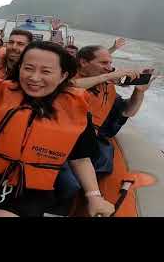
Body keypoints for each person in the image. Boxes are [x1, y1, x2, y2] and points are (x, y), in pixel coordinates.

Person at [0, 41, 115, 217]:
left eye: (46, 71)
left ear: (63, 76)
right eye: (28, 68)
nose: (34, 77)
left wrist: (94, 197)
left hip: (31, 188)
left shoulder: (75, 110)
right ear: (19, 68)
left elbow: (81, 159)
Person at [55, 45, 155, 200]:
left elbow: (128, 111)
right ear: (83, 62)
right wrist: (108, 77)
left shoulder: (107, 87)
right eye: (104, 63)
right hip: (63, 143)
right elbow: (68, 87)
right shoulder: (65, 77)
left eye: (110, 63)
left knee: (100, 167)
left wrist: (139, 91)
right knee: (70, 184)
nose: (109, 68)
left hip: (89, 144)